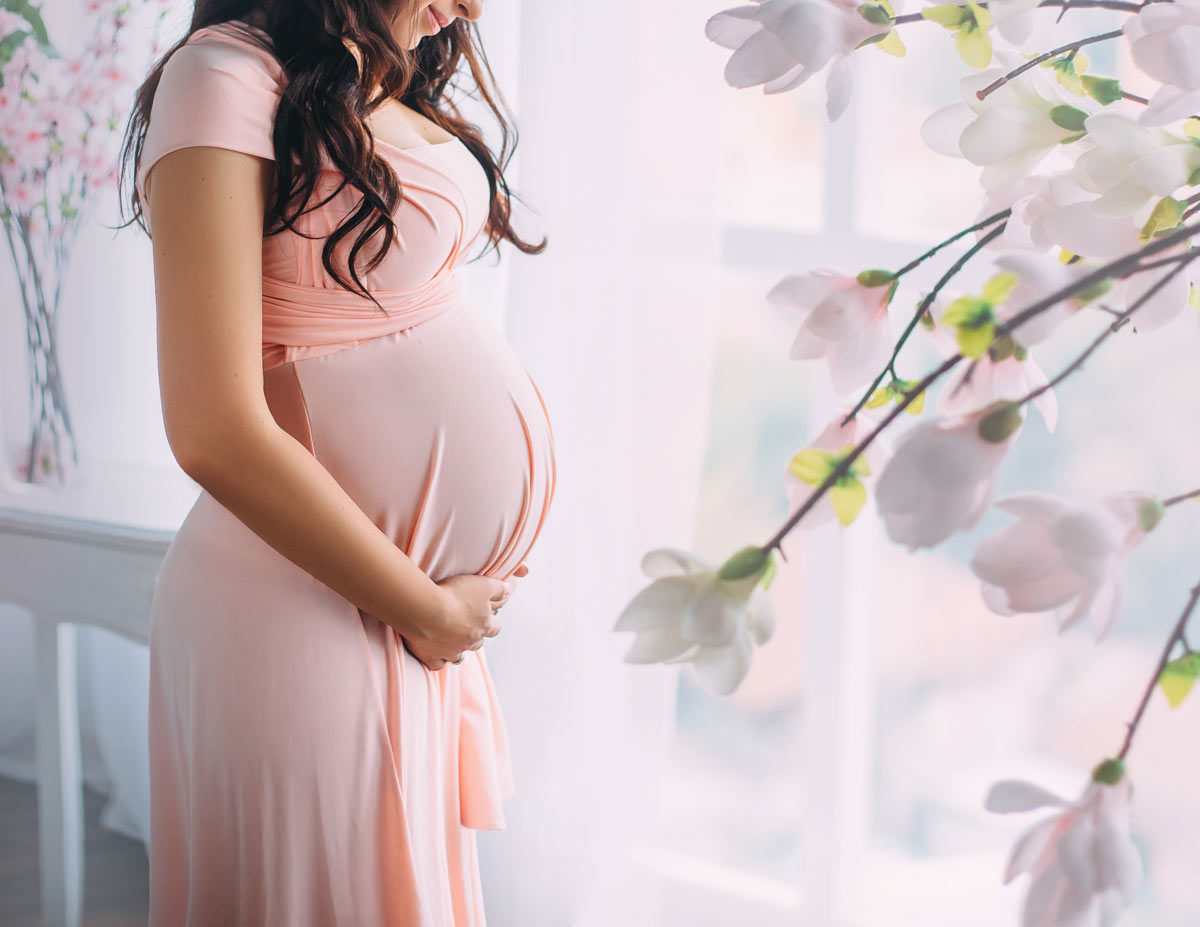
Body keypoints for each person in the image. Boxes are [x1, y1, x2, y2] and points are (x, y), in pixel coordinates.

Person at [116, 1, 556, 923]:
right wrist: (427, 606)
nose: (472, 8)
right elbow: (211, 425)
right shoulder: (223, 79)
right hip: (297, 605)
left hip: (386, 611)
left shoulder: (372, 75)